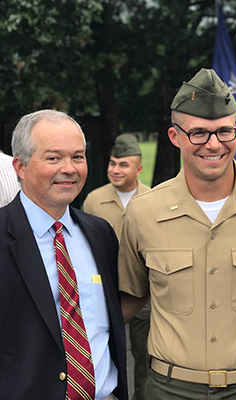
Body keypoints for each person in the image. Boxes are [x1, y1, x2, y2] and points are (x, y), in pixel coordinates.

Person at [118, 68, 236, 400]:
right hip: (169, 389)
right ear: (174, 136)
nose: (214, 145)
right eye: (199, 133)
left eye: (224, 132)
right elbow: (129, 298)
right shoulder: (144, 212)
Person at [0, 110, 128, 400]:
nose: (69, 168)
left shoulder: (100, 234)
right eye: (53, 158)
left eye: (78, 157)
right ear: (19, 166)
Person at [83, 133, 151, 400]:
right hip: (104, 294)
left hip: (142, 295)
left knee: (145, 356)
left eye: (123, 164)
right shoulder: (93, 200)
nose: (115, 169)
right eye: (112, 163)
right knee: (105, 354)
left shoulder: (152, 201)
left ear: (138, 169)